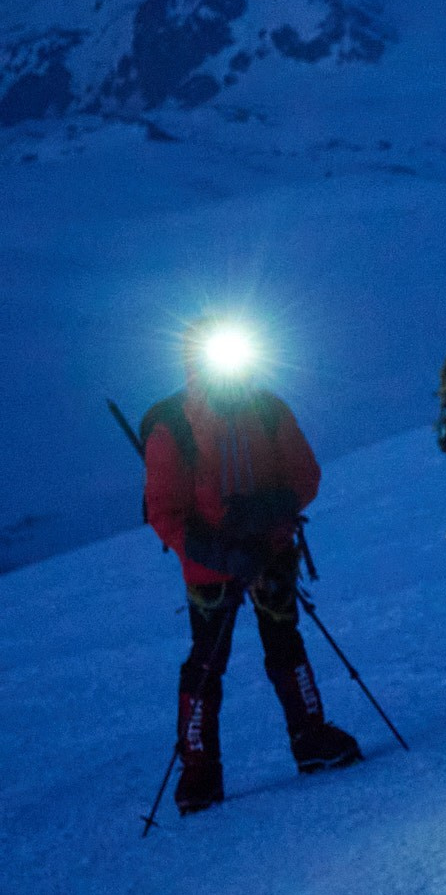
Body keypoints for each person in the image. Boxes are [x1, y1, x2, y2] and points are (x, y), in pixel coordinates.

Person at [143, 317, 361, 816]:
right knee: (211, 659)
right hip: (217, 565)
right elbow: (165, 514)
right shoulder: (174, 424)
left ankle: (295, 744)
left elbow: (305, 475)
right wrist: (230, 549)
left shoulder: (263, 410)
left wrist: (266, 519)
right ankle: (203, 769)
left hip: (265, 554)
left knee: (272, 642)